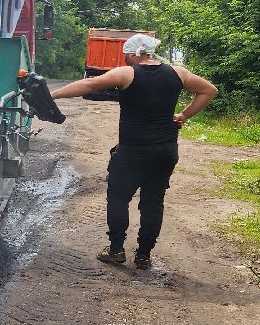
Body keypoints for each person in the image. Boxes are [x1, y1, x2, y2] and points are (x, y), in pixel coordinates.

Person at [51, 33, 218, 269]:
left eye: (125, 55)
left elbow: (88, 85)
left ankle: (116, 250)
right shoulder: (178, 73)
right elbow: (209, 90)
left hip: (133, 151)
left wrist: (52, 94)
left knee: (119, 198)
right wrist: (183, 115)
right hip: (166, 151)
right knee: (153, 202)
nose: (125, 59)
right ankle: (143, 256)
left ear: (133, 54)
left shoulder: (126, 74)